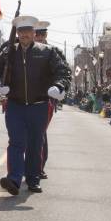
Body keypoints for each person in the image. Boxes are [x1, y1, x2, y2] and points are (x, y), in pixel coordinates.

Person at [0, 15, 71, 195]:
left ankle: (33, 178)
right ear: (17, 33)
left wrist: (59, 86)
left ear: (34, 32)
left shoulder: (47, 52)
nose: (24, 35)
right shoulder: (8, 52)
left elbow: (63, 71)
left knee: (35, 144)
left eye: (28, 31)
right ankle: (14, 179)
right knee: (16, 143)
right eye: (21, 31)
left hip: (39, 105)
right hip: (15, 105)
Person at [32, 20, 69, 180]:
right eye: (37, 34)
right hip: (27, 97)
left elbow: (64, 71)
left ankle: (38, 167)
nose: (39, 37)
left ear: (46, 35)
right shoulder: (26, 50)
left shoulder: (54, 51)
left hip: (47, 97)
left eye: (42, 34)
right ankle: (30, 165)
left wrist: (59, 87)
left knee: (40, 132)